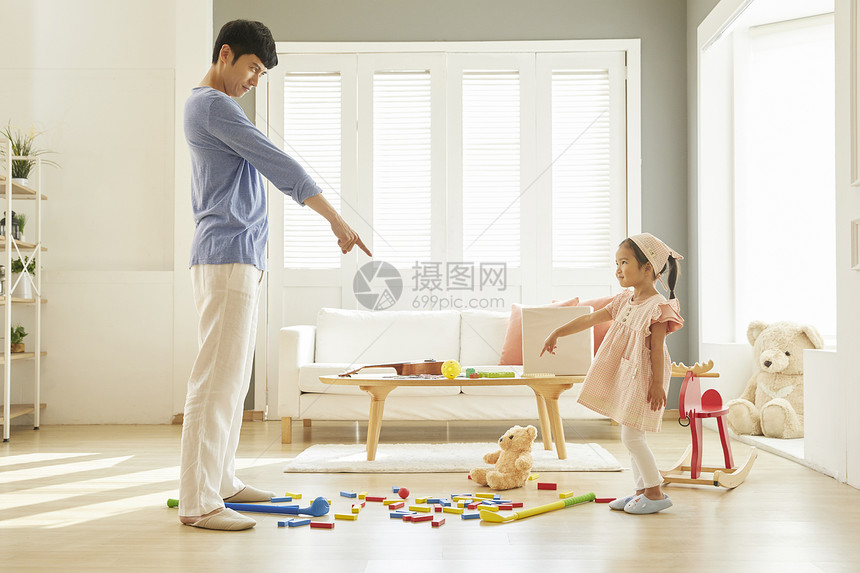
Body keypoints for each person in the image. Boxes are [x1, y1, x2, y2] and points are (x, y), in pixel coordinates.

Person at [179, 20, 371, 531]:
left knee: (233, 377)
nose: (255, 80)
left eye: (261, 73)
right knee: (215, 381)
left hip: (237, 256)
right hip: (226, 256)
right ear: (226, 54)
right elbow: (278, 163)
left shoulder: (214, 107)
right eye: (253, 69)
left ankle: (222, 481)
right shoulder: (212, 104)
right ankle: (199, 501)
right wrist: (337, 220)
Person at [541, 233, 683, 515]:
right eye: (616, 262)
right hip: (626, 374)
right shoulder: (623, 301)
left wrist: (657, 385)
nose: (618, 269)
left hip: (644, 376)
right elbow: (590, 318)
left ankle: (654, 492)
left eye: (624, 262)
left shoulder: (657, 307)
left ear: (647, 268)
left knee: (632, 437)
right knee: (628, 434)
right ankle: (640, 491)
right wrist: (558, 332)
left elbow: (657, 349)